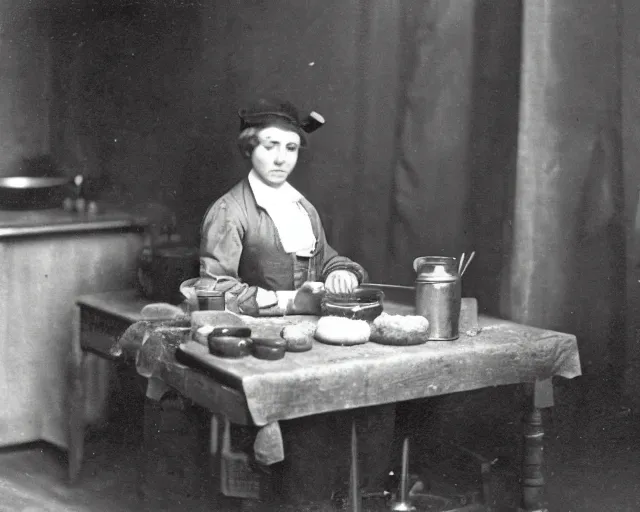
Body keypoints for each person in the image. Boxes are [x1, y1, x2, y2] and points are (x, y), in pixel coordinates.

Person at [185, 97, 367, 315]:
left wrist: (340, 273)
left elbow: (324, 259)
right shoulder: (229, 211)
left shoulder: (302, 208)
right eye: (270, 146)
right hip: (254, 333)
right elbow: (214, 290)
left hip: (307, 329)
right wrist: (291, 302)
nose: (281, 159)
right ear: (249, 149)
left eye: (291, 148)